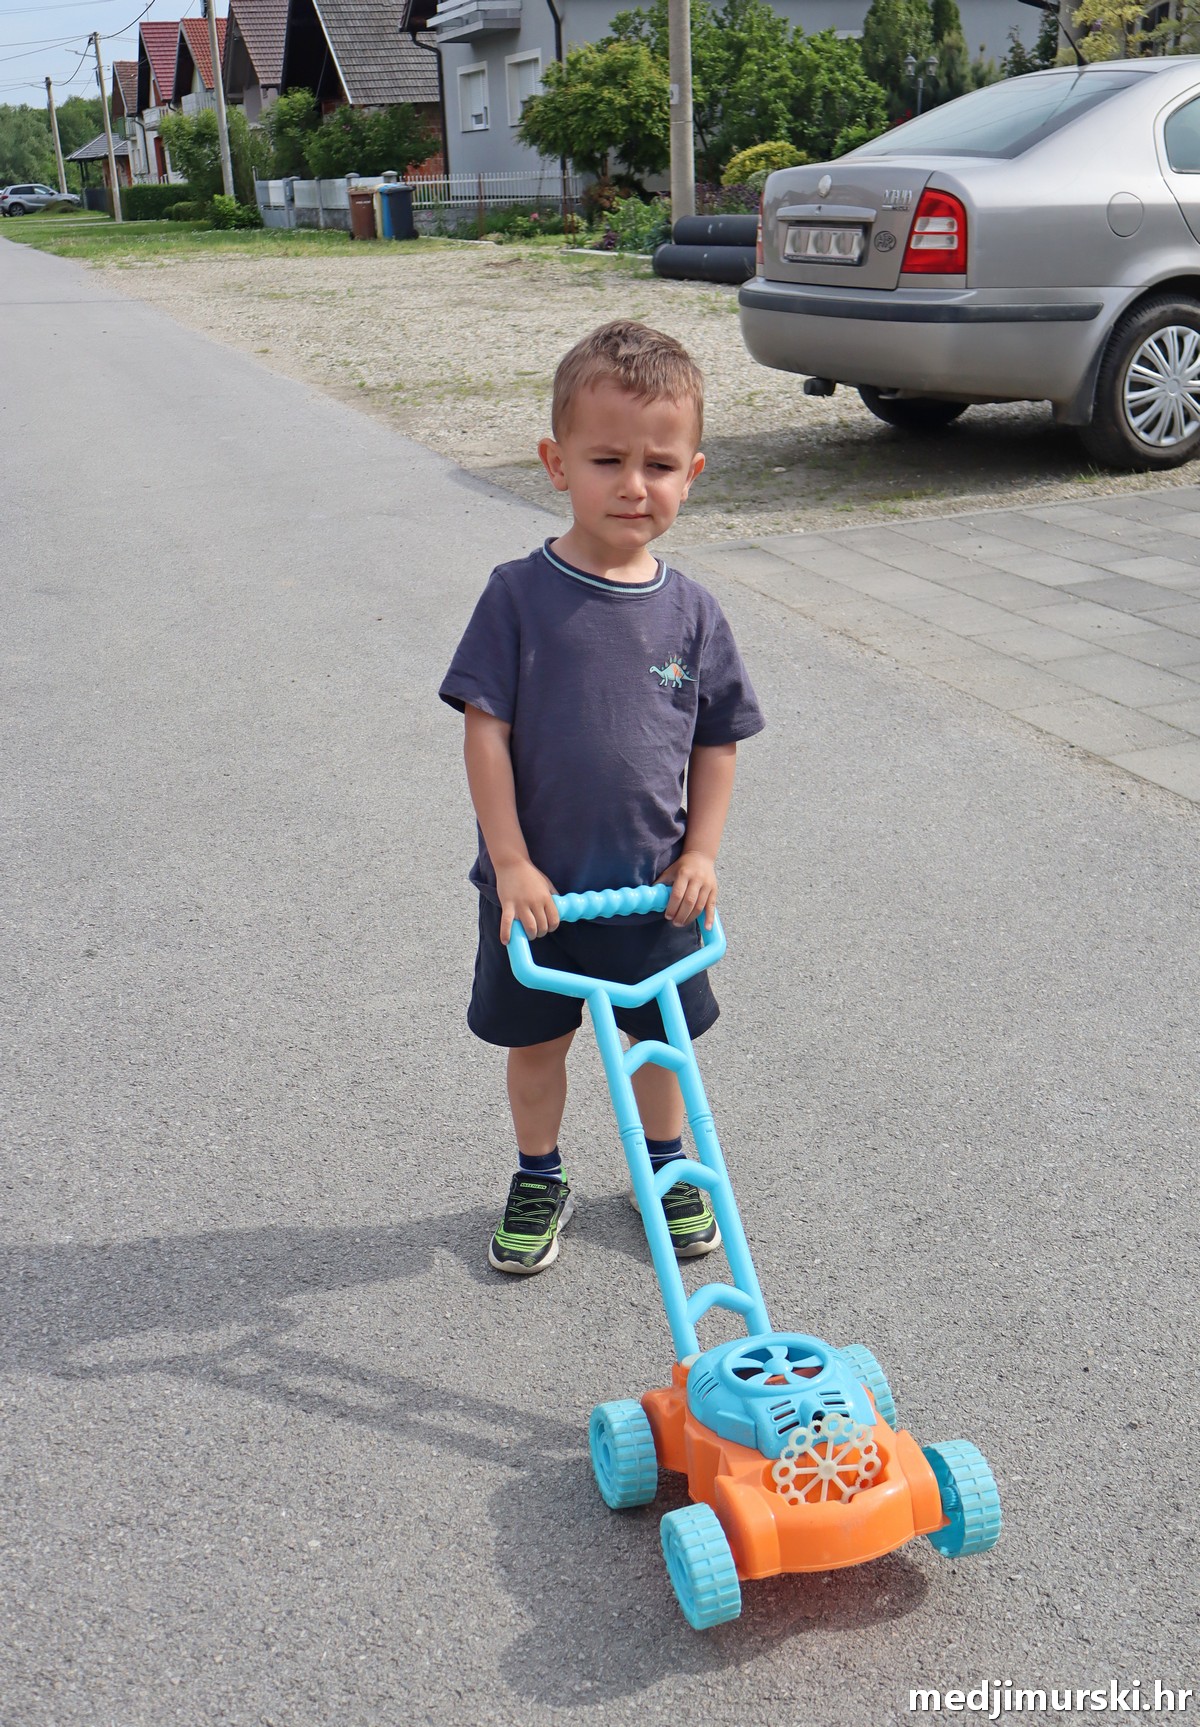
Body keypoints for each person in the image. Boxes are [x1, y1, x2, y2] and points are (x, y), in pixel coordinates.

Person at [439, 319, 764, 1275]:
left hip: (651, 891)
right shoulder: (518, 596)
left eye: (658, 465)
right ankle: (539, 1173)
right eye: (607, 460)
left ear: (691, 475)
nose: (633, 485)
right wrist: (510, 862)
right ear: (557, 463)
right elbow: (484, 732)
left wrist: (700, 853)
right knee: (538, 1045)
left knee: (659, 1042)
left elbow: (715, 741)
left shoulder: (693, 613)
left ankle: (665, 1166)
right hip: (537, 894)